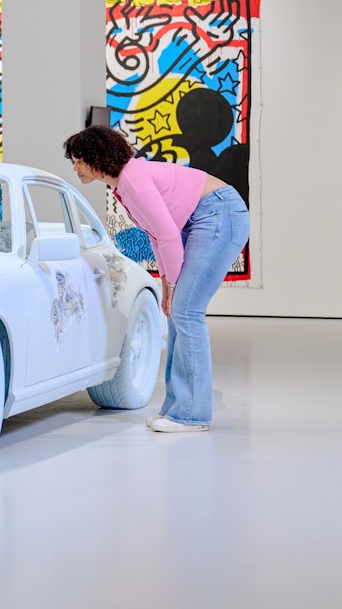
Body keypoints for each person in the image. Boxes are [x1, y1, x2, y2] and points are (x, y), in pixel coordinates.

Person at [63, 125, 249, 433]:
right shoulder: (124, 183)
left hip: (219, 214)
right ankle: (177, 409)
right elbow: (157, 237)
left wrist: (174, 286)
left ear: (97, 157)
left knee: (187, 313)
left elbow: (167, 234)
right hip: (207, 216)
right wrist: (166, 287)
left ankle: (191, 415)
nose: (75, 166)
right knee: (178, 313)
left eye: (80, 158)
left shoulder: (132, 180)